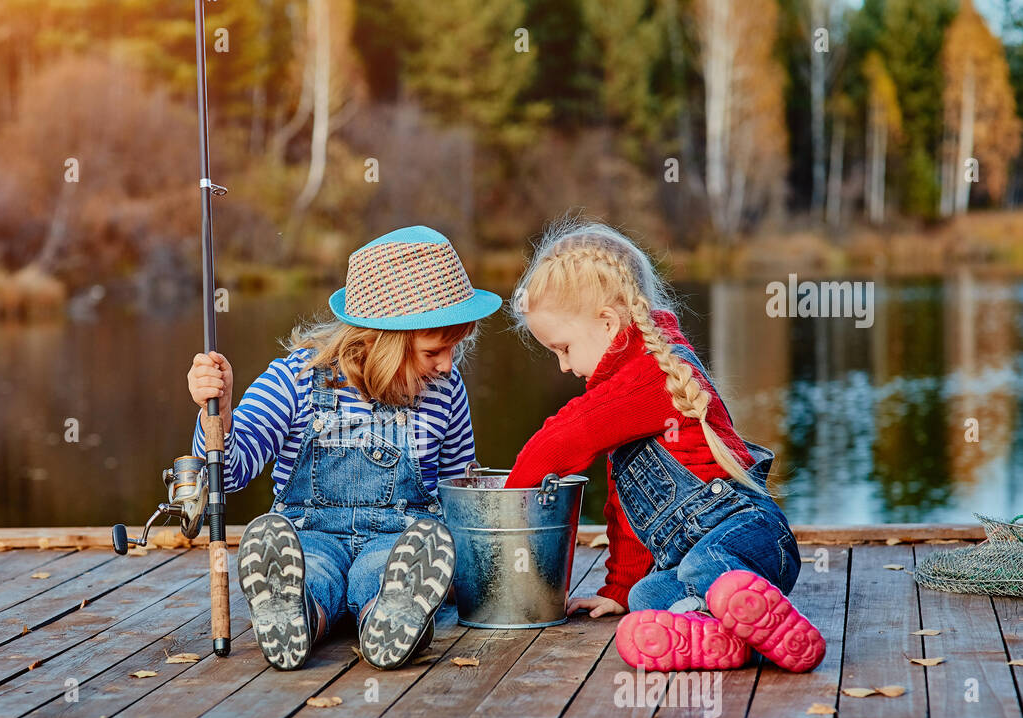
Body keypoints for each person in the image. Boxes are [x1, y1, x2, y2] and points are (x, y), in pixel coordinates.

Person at [503, 218, 825, 672]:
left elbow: (560, 440)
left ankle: (742, 615)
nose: (563, 366)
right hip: (699, 558)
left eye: (565, 348)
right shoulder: (623, 386)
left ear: (609, 323)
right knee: (647, 596)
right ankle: (729, 639)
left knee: (703, 567)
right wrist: (617, 589)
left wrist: (507, 507)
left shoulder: (653, 375)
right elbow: (628, 514)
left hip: (750, 535)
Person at [187, 225, 501, 670]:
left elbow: (459, 490)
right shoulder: (297, 378)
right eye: (434, 351)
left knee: (387, 573)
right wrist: (216, 413)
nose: (448, 364)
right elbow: (231, 473)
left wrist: (467, 571)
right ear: (384, 343)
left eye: (455, 348)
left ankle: (390, 618)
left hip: (397, 539)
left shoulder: (446, 390)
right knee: (310, 574)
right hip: (310, 534)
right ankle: (295, 615)